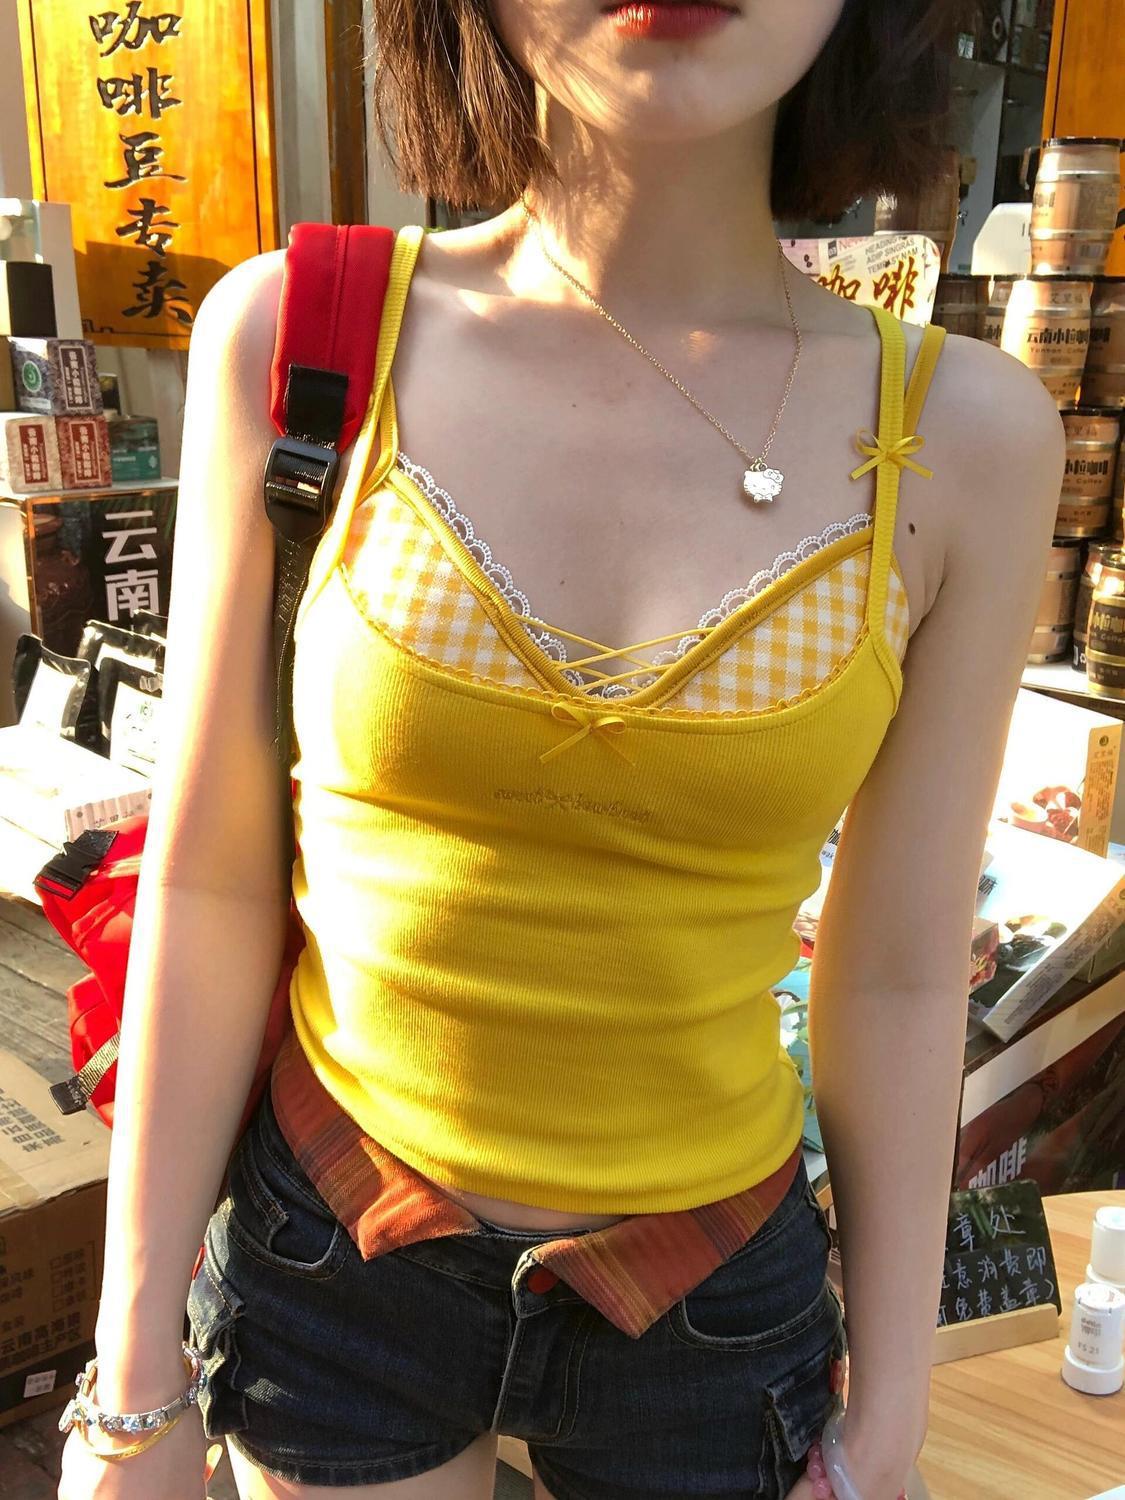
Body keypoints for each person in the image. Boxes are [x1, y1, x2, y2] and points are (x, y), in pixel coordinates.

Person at [58, 0, 1065, 1496]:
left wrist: (892, 1416)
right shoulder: (301, 335)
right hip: (339, 1235)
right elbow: (209, 878)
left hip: (709, 1293)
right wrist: (131, 1387)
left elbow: (902, 972)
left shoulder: (966, 434)